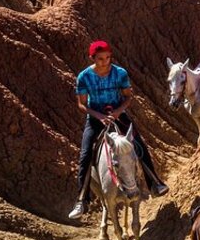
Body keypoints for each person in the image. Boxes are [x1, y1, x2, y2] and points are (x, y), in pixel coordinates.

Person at [68, 40, 169, 219]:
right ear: (92, 58)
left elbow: (128, 98)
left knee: (138, 145)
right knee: (85, 155)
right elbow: (81, 104)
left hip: (117, 115)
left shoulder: (120, 73)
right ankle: (82, 200)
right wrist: (99, 116)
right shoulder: (84, 76)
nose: (105, 62)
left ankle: (154, 182)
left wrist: (116, 113)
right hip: (95, 118)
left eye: (107, 58)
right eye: (100, 59)